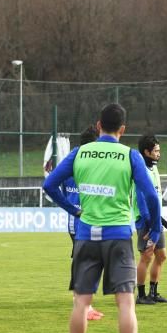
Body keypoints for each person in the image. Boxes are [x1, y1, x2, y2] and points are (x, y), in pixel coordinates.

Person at [43, 103, 162, 333]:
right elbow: (152, 197)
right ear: (123, 129)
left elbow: (49, 185)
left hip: (85, 236)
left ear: (98, 126)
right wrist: (154, 231)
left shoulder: (79, 153)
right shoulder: (129, 156)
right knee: (125, 303)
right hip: (118, 236)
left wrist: (73, 210)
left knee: (81, 303)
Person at [59, 125, 104, 321]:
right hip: (80, 220)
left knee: (84, 260)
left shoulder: (72, 164)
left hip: (77, 218)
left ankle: (83, 303)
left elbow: (58, 187)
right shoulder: (87, 166)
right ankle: (83, 304)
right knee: (84, 261)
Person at [135, 134, 167, 305]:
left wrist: (159, 218)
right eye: (156, 151)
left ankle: (153, 292)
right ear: (146, 152)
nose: (158, 154)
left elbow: (154, 196)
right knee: (146, 256)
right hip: (145, 220)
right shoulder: (140, 169)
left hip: (155, 220)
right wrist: (149, 220)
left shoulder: (153, 167)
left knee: (161, 256)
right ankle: (140, 295)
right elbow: (140, 198)